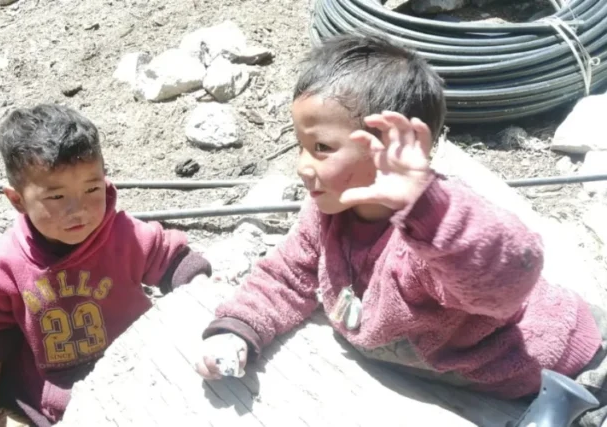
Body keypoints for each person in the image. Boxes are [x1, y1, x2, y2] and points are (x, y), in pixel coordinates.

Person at [194, 33, 607, 427]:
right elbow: (287, 275)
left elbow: (506, 280)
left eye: (321, 148)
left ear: (393, 150)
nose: (303, 165)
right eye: (301, 145)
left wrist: (428, 208)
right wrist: (237, 329)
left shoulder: (433, 237)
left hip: (574, 364)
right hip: (471, 376)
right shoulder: (326, 218)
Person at [0, 104, 212, 426]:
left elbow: (173, 259)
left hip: (140, 359)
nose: (79, 210)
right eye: (56, 198)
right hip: (60, 386)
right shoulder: (4, 266)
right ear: (17, 200)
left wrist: (202, 295)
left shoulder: (123, 234)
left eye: (91, 189)